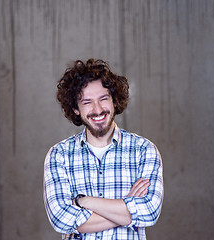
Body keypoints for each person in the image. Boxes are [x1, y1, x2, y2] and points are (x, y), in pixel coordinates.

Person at [43, 59, 163, 240]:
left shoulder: (144, 150)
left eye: (103, 98)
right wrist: (126, 206)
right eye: (87, 102)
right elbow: (61, 219)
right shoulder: (59, 156)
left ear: (115, 100)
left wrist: (82, 201)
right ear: (75, 109)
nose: (97, 109)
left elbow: (149, 212)